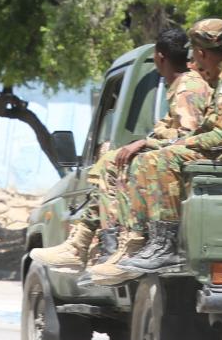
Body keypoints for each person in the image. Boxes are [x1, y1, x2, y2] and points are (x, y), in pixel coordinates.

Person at [88, 18, 222, 284]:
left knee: (162, 159)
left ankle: (164, 244)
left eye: (195, 55)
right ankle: (141, 241)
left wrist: (178, 144)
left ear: (200, 53)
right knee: (154, 156)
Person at [34, 27, 211, 273]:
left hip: (178, 166)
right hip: (176, 163)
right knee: (111, 160)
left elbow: (189, 135)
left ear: (160, 58)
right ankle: (85, 244)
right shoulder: (183, 85)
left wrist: (145, 143)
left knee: (117, 163)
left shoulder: (187, 87)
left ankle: (108, 245)